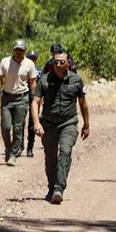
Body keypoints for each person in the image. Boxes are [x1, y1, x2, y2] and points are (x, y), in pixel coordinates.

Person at [31, 47, 90, 204]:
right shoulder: (44, 79)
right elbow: (35, 102)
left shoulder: (76, 80)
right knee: (50, 158)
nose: (58, 65)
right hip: (48, 124)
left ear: (68, 63)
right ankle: (51, 188)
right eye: (55, 62)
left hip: (68, 123)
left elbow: (83, 104)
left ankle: (59, 187)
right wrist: (36, 123)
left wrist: (86, 125)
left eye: (61, 62)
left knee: (64, 152)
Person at [0, 39, 37, 166]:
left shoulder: (29, 64)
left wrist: (36, 98)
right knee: (6, 127)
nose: (18, 52)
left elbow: (33, 83)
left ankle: (14, 154)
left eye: (21, 50)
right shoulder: (5, 62)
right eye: (16, 50)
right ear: (13, 50)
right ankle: (8, 149)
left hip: (22, 98)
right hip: (7, 98)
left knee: (18, 128)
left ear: (24, 51)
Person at [25, 50, 40, 157]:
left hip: (34, 97)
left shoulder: (39, 70)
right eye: (30, 58)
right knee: (19, 122)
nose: (32, 60)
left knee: (32, 122)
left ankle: (30, 147)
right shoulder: (23, 68)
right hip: (23, 95)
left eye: (34, 58)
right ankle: (19, 144)